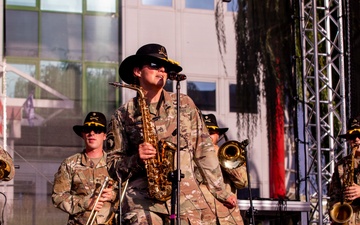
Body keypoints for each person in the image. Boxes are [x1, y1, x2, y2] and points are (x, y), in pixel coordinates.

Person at [106, 43, 237, 225]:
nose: (161, 69)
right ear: (137, 71)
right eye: (153, 65)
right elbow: (112, 167)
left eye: (165, 67)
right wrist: (136, 158)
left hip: (186, 198)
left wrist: (221, 191)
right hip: (143, 201)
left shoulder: (184, 104)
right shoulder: (122, 114)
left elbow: (204, 151)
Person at [52, 112, 119, 225]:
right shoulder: (69, 164)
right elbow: (58, 197)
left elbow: (130, 194)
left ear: (104, 136)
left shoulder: (116, 163)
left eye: (97, 130)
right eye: (87, 130)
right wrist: (85, 203)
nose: (91, 133)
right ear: (83, 134)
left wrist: (113, 195)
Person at [201, 114, 248, 225]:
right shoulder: (190, 156)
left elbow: (243, 182)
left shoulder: (229, 153)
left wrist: (222, 158)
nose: (208, 136)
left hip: (228, 218)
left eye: (211, 133)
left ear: (219, 135)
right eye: (205, 132)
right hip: (203, 217)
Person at [328, 116, 360, 225]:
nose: (356, 140)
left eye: (359, 136)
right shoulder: (341, 164)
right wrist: (334, 215)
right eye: (353, 137)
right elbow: (334, 195)